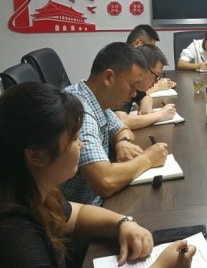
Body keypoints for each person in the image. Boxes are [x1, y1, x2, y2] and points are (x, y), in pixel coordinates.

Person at [0, 82, 195, 268]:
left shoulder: (26, 188)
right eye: (74, 138)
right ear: (37, 156)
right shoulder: (8, 230)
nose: (81, 144)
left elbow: (77, 214)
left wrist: (123, 223)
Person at [61, 42, 169, 206]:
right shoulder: (80, 112)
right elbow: (105, 181)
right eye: (132, 86)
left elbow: (122, 128)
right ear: (109, 78)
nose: (134, 94)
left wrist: (122, 142)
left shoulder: (94, 97)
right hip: (80, 211)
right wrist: (148, 159)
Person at [115, 44, 177, 130]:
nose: (156, 81)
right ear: (144, 69)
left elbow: (145, 96)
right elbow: (120, 122)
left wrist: (145, 105)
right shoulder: (121, 85)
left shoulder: (134, 87)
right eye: (156, 76)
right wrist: (160, 115)